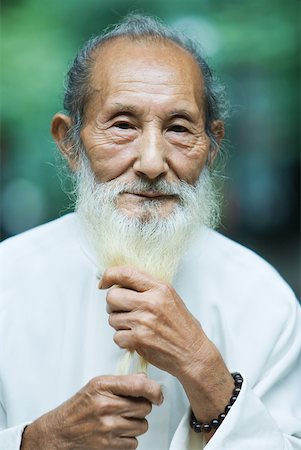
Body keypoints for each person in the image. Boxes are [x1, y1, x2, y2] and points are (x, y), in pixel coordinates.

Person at [0, 13, 300, 450]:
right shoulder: (7, 279)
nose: (153, 163)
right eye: (123, 125)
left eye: (179, 129)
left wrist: (203, 368)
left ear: (212, 146)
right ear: (69, 142)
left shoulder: (261, 297)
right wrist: (38, 441)